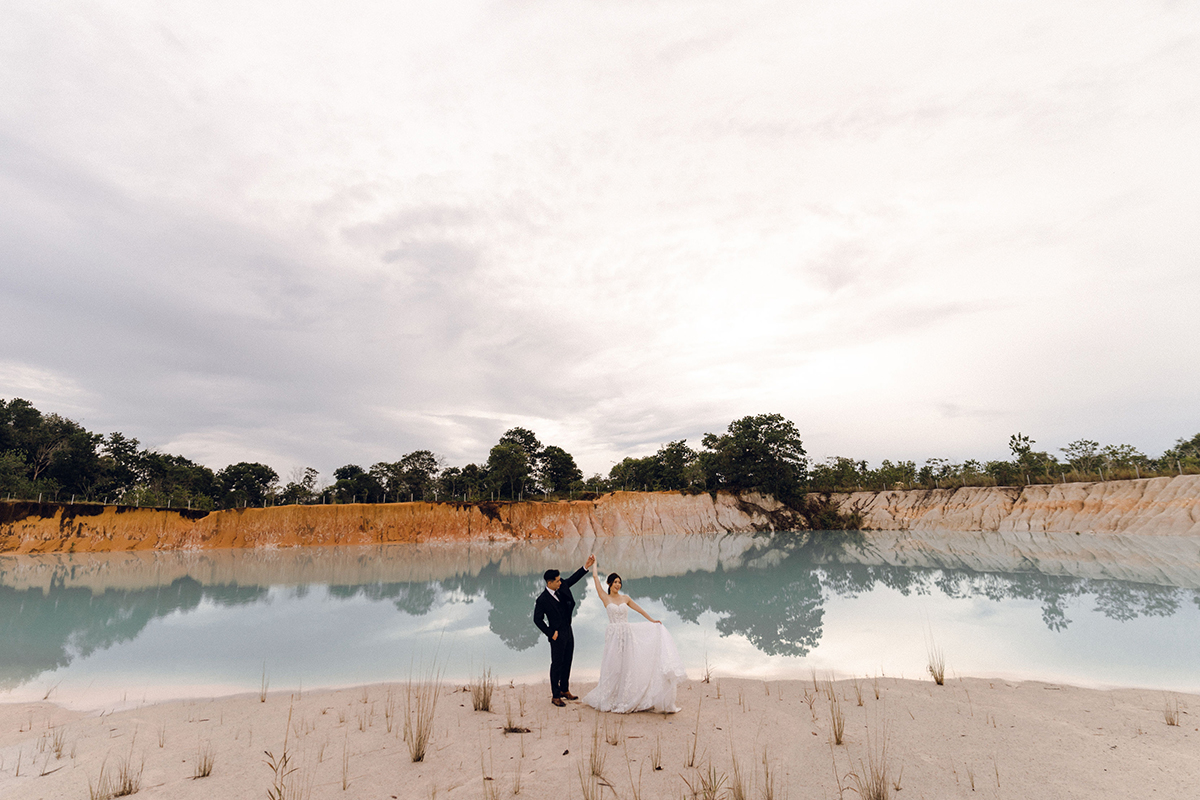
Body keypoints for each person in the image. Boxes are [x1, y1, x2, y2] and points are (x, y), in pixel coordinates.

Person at [582, 557, 687, 713]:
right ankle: (610, 696)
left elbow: (641, 610)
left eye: (619, 582)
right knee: (613, 667)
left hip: (627, 634)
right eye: (615, 582)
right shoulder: (605, 597)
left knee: (627, 666)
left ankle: (625, 697)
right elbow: (596, 578)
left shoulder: (626, 598)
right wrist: (595, 565)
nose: (618, 584)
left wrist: (653, 621)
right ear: (609, 583)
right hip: (613, 637)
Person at [533, 554, 595, 706]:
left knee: (568, 660)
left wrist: (586, 566)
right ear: (549, 583)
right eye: (558, 580)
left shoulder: (562, 587)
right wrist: (550, 632)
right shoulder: (542, 600)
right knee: (556, 664)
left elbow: (574, 578)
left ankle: (564, 690)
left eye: (560, 579)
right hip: (556, 634)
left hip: (568, 630)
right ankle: (555, 696)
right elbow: (537, 619)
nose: (561, 582)